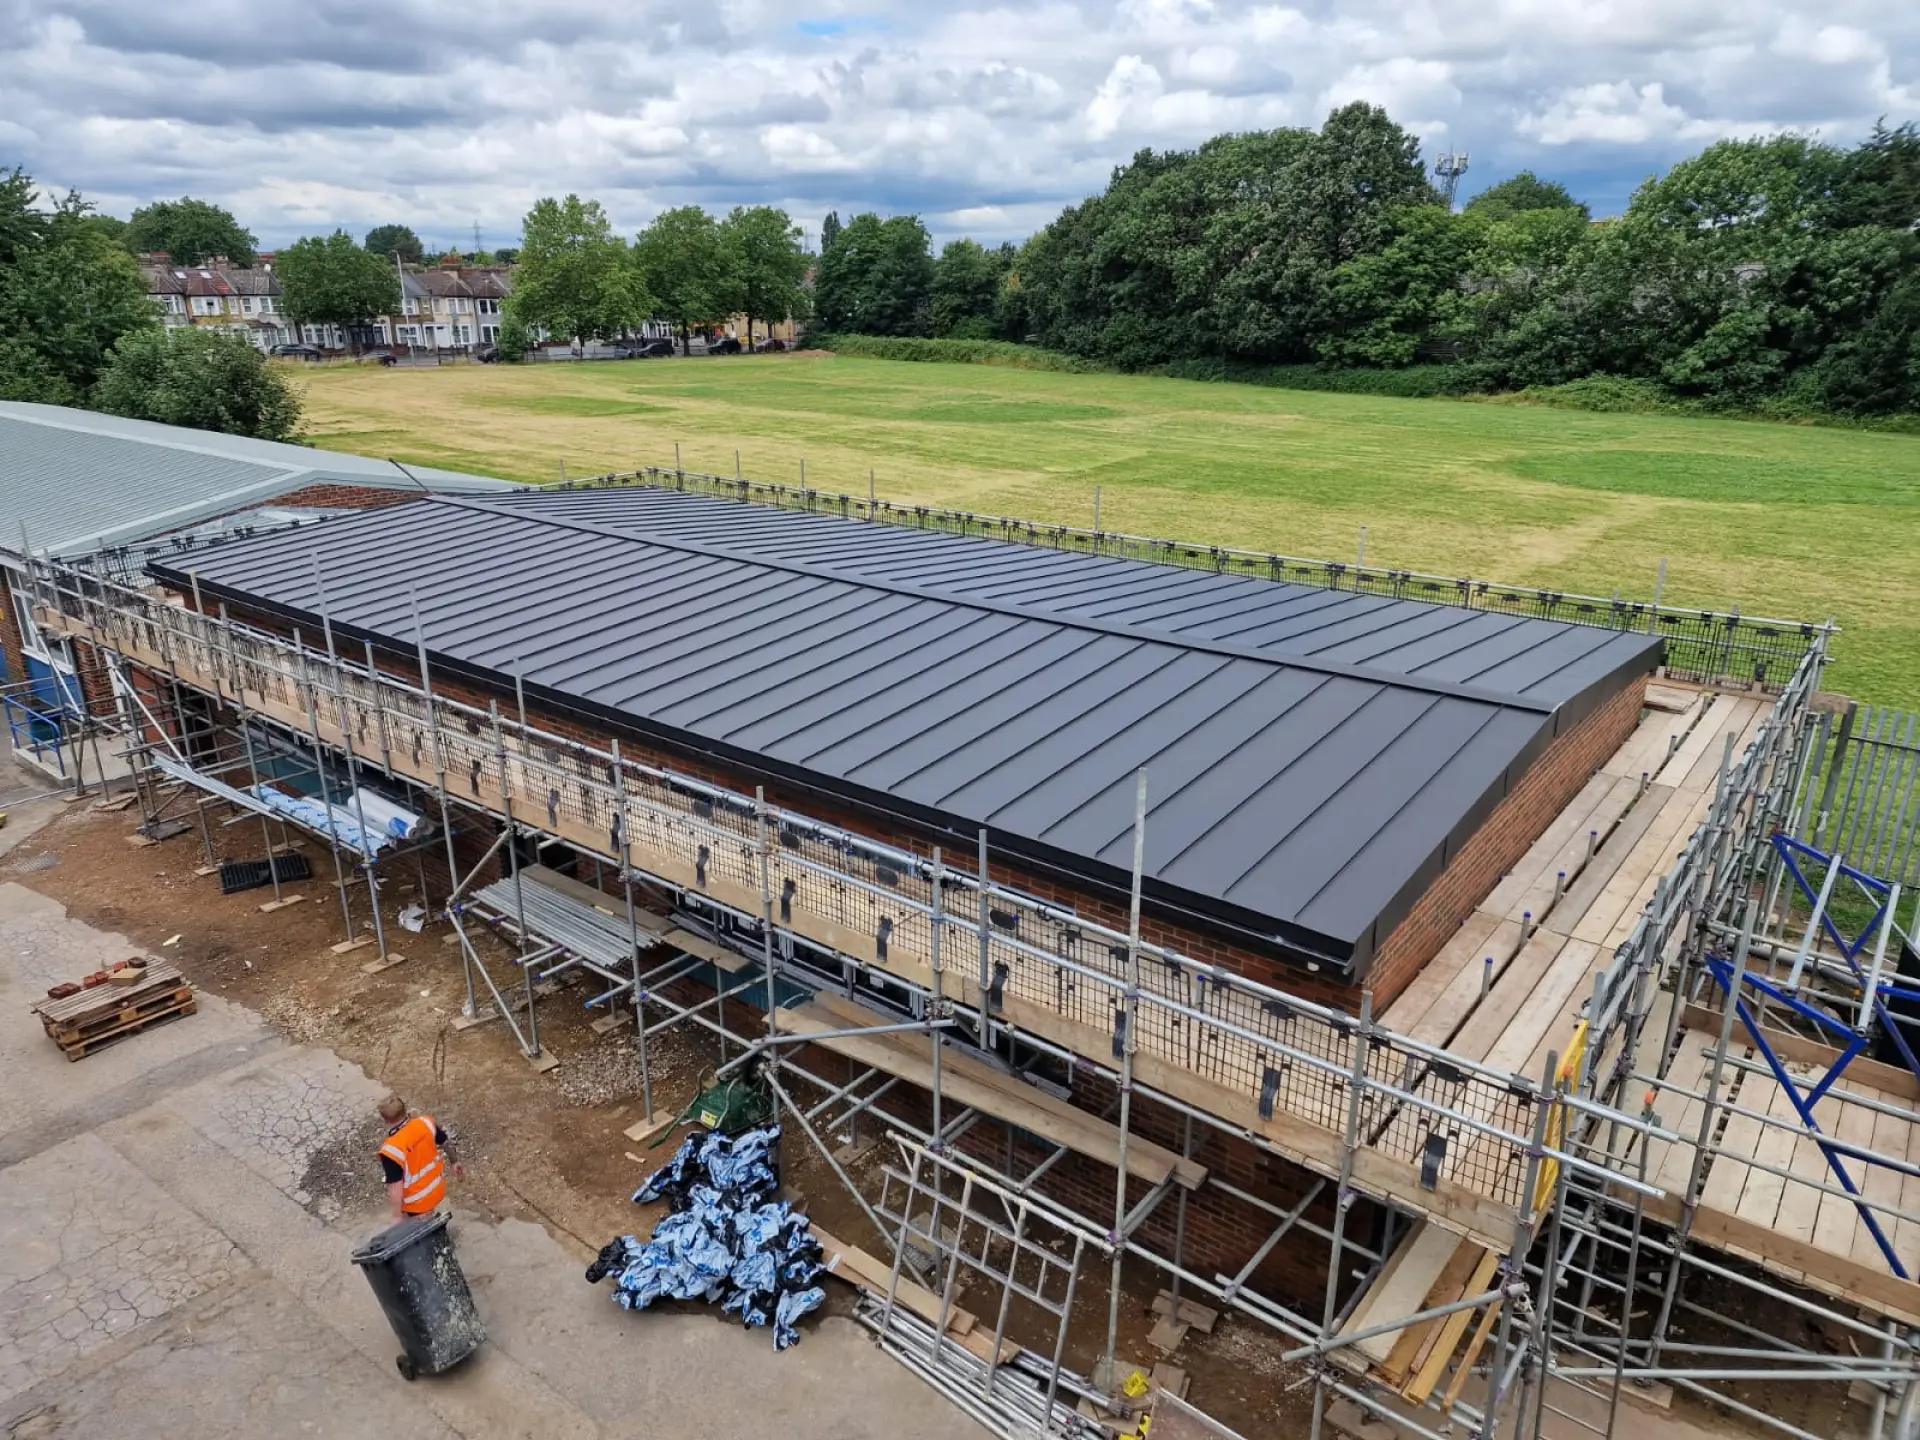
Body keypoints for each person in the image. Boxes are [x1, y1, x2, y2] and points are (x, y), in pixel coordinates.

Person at [376, 1094, 464, 1224]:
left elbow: (396, 1187)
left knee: (416, 1229)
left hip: (416, 1204)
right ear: (406, 1110)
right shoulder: (426, 1123)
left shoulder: (391, 1150)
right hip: (437, 1190)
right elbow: (446, 1142)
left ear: (385, 1120)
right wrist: (454, 1162)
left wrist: (396, 1215)